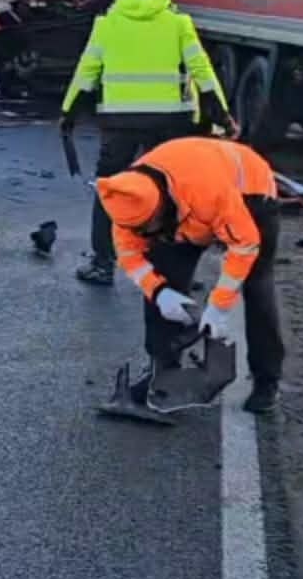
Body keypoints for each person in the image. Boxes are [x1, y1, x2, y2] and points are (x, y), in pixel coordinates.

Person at [60, 0, 236, 286]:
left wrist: (68, 114)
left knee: (110, 190)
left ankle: (102, 264)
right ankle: (172, 269)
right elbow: (202, 70)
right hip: (170, 123)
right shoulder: (178, 23)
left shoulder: (107, 24)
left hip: (120, 123)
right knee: (173, 192)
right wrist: (222, 115)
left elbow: (86, 72)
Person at [97, 135, 285, 414]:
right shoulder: (126, 201)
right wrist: (160, 294)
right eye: (140, 230)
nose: (145, 235)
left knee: (257, 284)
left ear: (161, 207)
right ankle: (162, 372)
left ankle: (267, 381)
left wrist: (219, 307)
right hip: (187, 207)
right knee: (163, 273)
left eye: (150, 227)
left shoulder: (209, 193)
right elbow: (130, 257)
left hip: (250, 193)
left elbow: (244, 246)